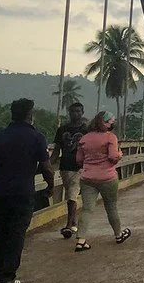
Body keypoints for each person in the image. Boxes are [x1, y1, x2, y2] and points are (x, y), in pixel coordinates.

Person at [0, 99, 55, 283]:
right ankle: (8, 277)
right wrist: (50, 187)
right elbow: (47, 168)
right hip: (23, 192)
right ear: (29, 115)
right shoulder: (36, 137)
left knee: (1, 230)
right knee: (17, 232)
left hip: (0, 192)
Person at [73, 111, 131, 251]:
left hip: (87, 178)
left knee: (87, 209)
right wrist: (120, 155)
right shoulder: (110, 137)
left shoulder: (84, 138)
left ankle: (81, 240)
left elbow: (79, 160)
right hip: (107, 178)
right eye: (111, 122)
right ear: (106, 123)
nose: (113, 124)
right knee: (111, 207)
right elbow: (113, 157)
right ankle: (118, 235)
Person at [51, 102, 88, 239]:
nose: (75, 114)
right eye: (72, 111)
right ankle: (74, 223)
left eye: (78, 111)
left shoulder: (86, 130)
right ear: (69, 112)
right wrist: (48, 165)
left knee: (72, 194)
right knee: (70, 195)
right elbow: (56, 150)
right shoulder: (62, 130)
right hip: (65, 167)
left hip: (80, 167)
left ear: (82, 112)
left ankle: (68, 226)